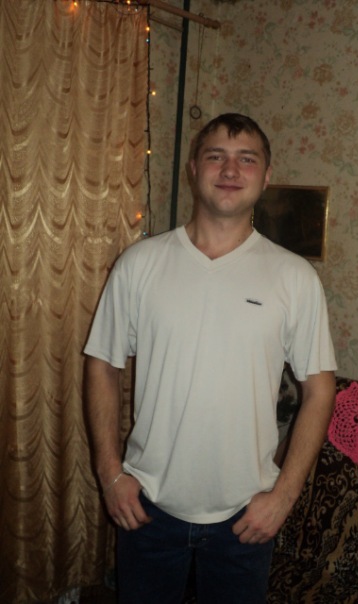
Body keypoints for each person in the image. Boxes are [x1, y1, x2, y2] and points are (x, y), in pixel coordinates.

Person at [84, 113, 337, 604]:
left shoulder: (295, 278)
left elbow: (320, 391)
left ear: (266, 176)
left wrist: (283, 498)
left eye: (247, 159)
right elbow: (102, 364)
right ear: (194, 168)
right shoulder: (140, 264)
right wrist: (110, 474)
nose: (230, 169)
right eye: (216, 156)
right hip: (147, 507)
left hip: (246, 517)